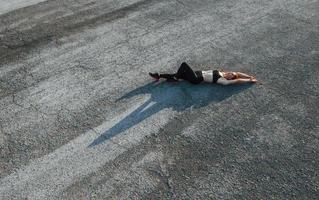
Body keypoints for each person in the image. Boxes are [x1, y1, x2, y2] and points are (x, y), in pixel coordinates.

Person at [149, 62, 258, 85]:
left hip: (196, 79)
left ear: (230, 79)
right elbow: (238, 73)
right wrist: (249, 75)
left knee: (184, 65)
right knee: (177, 73)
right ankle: (159, 76)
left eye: (231, 75)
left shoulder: (222, 80)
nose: (230, 73)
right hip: (194, 74)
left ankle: (175, 78)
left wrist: (248, 80)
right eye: (231, 73)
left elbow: (237, 79)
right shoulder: (222, 72)